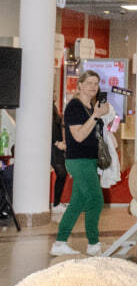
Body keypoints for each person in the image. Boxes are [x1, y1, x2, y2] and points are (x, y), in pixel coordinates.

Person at [51, 70, 109, 256]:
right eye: (90, 83)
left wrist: (103, 115)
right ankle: (93, 244)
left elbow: (98, 133)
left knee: (77, 203)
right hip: (79, 160)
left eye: (96, 83)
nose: (93, 86)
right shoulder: (74, 107)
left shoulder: (91, 107)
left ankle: (60, 243)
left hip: (90, 160)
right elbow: (79, 136)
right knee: (95, 200)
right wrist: (96, 116)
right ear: (80, 85)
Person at [51, 101, 68, 219]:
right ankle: (56, 204)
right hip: (54, 148)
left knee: (62, 174)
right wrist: (57, 143)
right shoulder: (47, 105)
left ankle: (56, 203)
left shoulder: (53, 107)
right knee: (61, 174)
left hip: (58, 147)